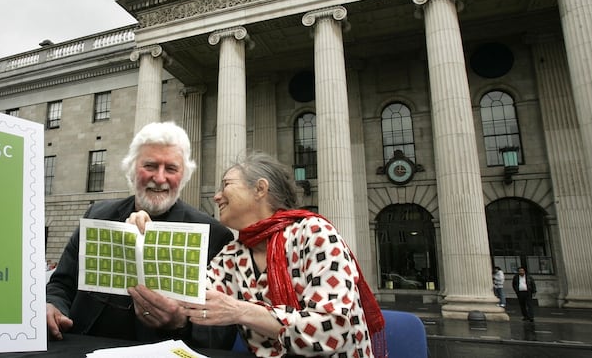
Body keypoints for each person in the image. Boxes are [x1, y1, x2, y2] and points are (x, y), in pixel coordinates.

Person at [129, 152, 386, 358]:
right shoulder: (233, 254)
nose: (217, 196)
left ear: (260, 189)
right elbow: (186, 295)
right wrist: (147, 239)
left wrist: (240, 311)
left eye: (226, 185)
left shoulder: (315, 233)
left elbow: (332, 330)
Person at [46, 121, 235, 346]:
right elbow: (61, 284)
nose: (160, 178)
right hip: (79, 347)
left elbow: (223, 333)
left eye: (171, 169)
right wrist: (53, 306)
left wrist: (181, 322)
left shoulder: (214, 236)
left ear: (183, 176)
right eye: (150, 166)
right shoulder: (97, 215)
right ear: (132, 169)